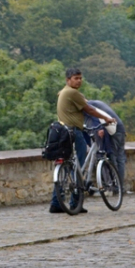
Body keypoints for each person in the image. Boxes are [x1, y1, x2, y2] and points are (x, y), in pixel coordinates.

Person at [50, 67, 116, 214]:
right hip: (74, 131)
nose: (79, 81)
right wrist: (106, 118)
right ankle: (75, 202)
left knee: (68, 166)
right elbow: (89, 109)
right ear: (68, 80)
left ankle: (56, 203)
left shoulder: (64, 92)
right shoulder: (73, 93)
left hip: (63, 131)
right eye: (75, 78)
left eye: (80, 78)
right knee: (78, 167)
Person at [84, 99, 127, 191]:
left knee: (115, 157)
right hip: (118, 127)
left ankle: (117, 186)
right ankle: (120, 186)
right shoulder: (96, 102)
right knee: (120, 157)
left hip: (114, 129)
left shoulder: (87, 106)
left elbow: (95, 118)